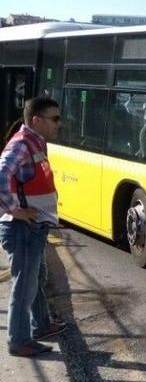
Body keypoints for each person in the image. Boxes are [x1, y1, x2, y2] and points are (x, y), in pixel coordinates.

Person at [0, 97, 66, 357]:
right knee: (25, 285)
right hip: (22, 228)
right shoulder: (22, 145)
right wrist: (14, 209)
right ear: (37, 120)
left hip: (33, 227)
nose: (58, 124)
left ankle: (41, 325)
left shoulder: (34, 142)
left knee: (37, 278)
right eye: (55, 118)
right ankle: (19, 340)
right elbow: (2, 175)